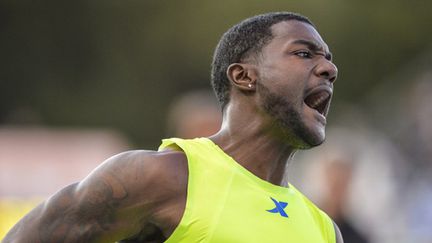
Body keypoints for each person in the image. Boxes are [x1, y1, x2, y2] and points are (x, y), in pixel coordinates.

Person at [4, 12, 341, 242]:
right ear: (244, 76)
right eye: (304, 54)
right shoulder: (163, 177)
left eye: (327, 58)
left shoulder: (324, 229)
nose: (329, 68)